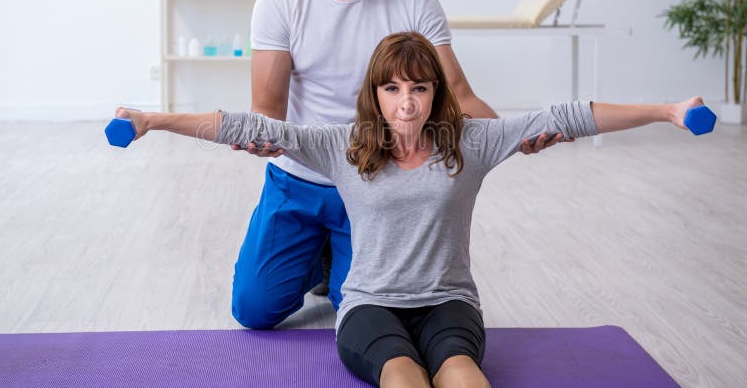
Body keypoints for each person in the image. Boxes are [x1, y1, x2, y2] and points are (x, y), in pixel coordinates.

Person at [115, 32, 705, 388]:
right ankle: (326, 269)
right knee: (404, 377)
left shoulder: (470, 142)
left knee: (462, 376)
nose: (406, 103)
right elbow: (244, 125)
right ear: (375, 94)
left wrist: (667, 110)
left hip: (449, 302)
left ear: (435, 95)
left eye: (419, 88)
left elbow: (570, 115)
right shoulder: (345, 146)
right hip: (370, 303)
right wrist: (153, 120)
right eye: (392, 88)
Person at [231, 0, 563, 329]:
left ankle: (331, 260)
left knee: (365, 308)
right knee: (253, 309)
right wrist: (257, 138)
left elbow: (459, 94)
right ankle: (313, 252)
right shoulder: (280, 1)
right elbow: (267, 110)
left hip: (373, 180)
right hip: (299, 178)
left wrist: (515, 135)